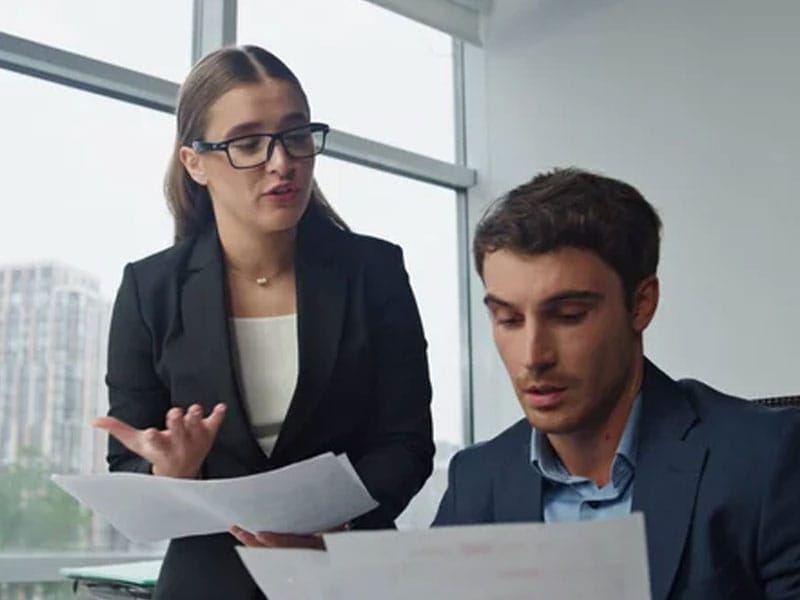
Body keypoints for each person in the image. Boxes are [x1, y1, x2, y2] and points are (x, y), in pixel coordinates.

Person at [93, 45, 434, 599]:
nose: (282, 163)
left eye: (296, 136)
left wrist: (331, 528)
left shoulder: (374, 270)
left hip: (347, 573)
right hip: (206, 582)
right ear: (195, 163)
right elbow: (128, 463)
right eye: (248, 143)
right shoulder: (148, 290)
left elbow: (406, 442)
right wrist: (169, 474)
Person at [433, 168, 800, 599]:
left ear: (641, 304)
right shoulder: (476, 482)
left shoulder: (766, 459)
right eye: (508, 319)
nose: (533, 356)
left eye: (568, 316)